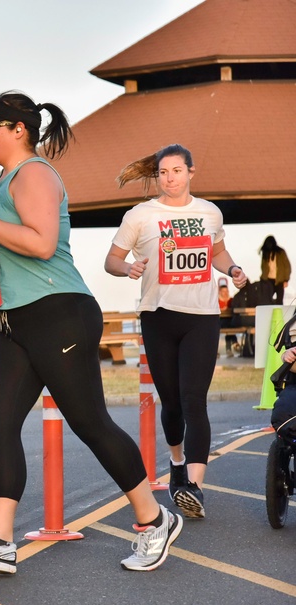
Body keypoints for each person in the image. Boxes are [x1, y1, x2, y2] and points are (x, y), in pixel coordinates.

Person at [0, 90, 182, 575]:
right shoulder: (3, 181)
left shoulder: (35, 174)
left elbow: (44, 244)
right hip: (14, 319)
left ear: (17, 129)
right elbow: (13, 251)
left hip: (58, 313)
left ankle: (154, 520)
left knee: (90, 423)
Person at [104, 143, 248, 520]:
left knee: (193, 399)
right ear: (158, 176)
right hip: (158, 316)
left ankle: (195, 488)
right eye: (164, 173)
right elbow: (112, 259)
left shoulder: (209, 213)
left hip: (201, 317)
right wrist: (127, 270)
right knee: (171, 404)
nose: (170, 179)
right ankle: (177, 462)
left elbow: (217, 252)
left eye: (177, 171)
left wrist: (231, 270)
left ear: (191, 172)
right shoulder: (141, 215)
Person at [260, 235, 290, 304]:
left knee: (279, 301)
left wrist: (286, 280)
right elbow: (263, 266)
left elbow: (287, 266)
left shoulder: (281, 252)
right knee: (266, 301)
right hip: (268, 281)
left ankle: (279, 314)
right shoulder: (265, 253)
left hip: (279, 280)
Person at [217, 278, 239, 358]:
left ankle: (229, 349)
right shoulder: (217, 301)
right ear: (220, 292)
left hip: (230, 321)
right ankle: (234, 343)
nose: (225, 293)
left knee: (230, 325)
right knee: (228, 325)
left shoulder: (232, 300)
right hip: (220, 321)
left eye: (227, 291)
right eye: (223, 291)